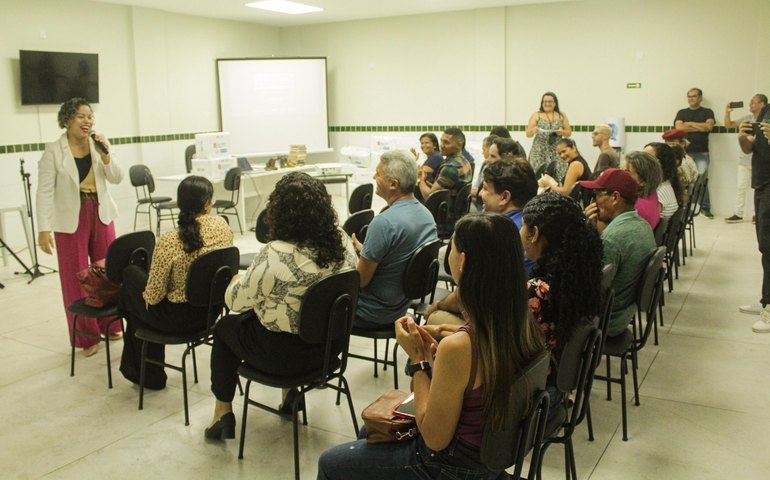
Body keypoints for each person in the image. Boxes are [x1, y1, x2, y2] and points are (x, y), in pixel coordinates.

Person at [317, 213, 546, 480]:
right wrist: (440, 331)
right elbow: (480, 349)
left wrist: (418, 359)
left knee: (330, 463)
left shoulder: (458, 349)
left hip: (449, 467)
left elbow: (434, 439)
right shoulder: (519, 320)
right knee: (370, 434)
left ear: (463, 261)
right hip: (486, 460)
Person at [204, 173, 356, 439]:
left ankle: (222, 413)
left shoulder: (276, 253)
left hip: (282, 359)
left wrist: (236, 280)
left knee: (226, 326)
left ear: (279, 212)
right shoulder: (341, 241)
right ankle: (290, 397)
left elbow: (235, 302)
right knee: (286, 311)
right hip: (329, 351)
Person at [119, 176, 233, 389]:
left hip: (177, 319)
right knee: (134, 302)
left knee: (131, 276)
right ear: (207, 203)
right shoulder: (222, 226)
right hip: (211, 313)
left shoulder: (170, 240)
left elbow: (153, 296)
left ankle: (146, 375)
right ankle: (143, 372)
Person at [36, 97, 124, 357]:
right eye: (81, 116)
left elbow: (117, 177)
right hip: (69, 218)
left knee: (107, 270)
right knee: (75, 278)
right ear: (67, 120)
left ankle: (110, 324)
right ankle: (86, 337)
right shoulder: (54, 150)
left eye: (90, 116)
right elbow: (43, 192)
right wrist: (43, 229)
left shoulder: (98, 144)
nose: (87, 121)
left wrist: (106, 154)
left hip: (100, 212)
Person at [425, 157, 538, 326]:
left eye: (485, 189)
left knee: (435, 319)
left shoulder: (492, 231)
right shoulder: (528, 222)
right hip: (520, 317)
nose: (480, 194)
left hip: (503, 324)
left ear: (504, 197)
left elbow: (466, 295)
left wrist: (439, 305)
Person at [520, 192, 603, 417]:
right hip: (556, 388)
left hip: (534, 398)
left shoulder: (537, 290)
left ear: (534, 234)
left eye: (523, 226)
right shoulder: (579, 276)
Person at [354, 150, 437, 328]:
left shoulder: (383, 223)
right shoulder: (426, 215)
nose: (374, 176)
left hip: (372, 312)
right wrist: (365, 249)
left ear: (393, 184)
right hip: (401, 306)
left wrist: (348, 254)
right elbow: (395, 254)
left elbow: (360, 280)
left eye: (378, 173)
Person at [579, 168, 656, 338]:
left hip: (606, 321)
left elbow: (588, 289)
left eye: (597, 195)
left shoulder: (612, 239)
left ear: (615, 197)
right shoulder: (642, 225)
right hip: (624, 312)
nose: (593, 202)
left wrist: (582, 234)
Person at [737, 104, 770, 332]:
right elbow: (750, 148)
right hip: (761, 183)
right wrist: (742, 137)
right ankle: (765, 301)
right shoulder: (767, 110)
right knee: (765, 247)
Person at [418, 128, 473, 234]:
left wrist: (420, 179)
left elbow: (430, 197)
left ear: (459, 144)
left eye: (446, 142)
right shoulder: (464, 161)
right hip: (458, 216)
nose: (441, 145)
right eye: (441, 141)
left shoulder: (451, 167)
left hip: (446, 222)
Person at [724, 94, 767, 223]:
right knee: (740, 187)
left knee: (759, 188)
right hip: (745, 159)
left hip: (761, 161)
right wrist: (727, 112)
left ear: (762, 104)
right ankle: (738, 213)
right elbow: (729, 125)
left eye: (753, 102)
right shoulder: (747, 119)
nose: (750, 105)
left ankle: (756, 214)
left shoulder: (766, 120)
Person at [674, 88, 715, 218]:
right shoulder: (682, 112)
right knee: (687, 180)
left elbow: (708, 127)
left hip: (701, 152)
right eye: (689, 96)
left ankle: (705, 207)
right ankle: (688, 208)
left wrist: (690, 124)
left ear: (700, 97)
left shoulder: (707, 112)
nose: (691, 98)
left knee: (701, 179)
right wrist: (699, 127)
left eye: (694, 96)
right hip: (684, 153)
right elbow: (679, 128)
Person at [526, 91, 572, 180]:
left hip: (557, 151)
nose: (547, 104)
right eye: (544, 101)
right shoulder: (537, 115)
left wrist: (562, 132)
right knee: (538, 175)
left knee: (558, 174)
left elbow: (569, 132)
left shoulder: (561, 115)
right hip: (539, 150)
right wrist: (533, 130)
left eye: (550, 102)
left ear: (555, 103)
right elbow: (528, 134)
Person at [644, 142, 684, 219]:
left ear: (661, 164)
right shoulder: (665, 184)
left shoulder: (659, 192)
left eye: (646, 159)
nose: (640, 161)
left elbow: (646, 219)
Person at [623, 151, 662, 230]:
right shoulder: (652, 195)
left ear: (643, 181)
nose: (620, 174)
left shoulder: (634, 208)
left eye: (627, 172)